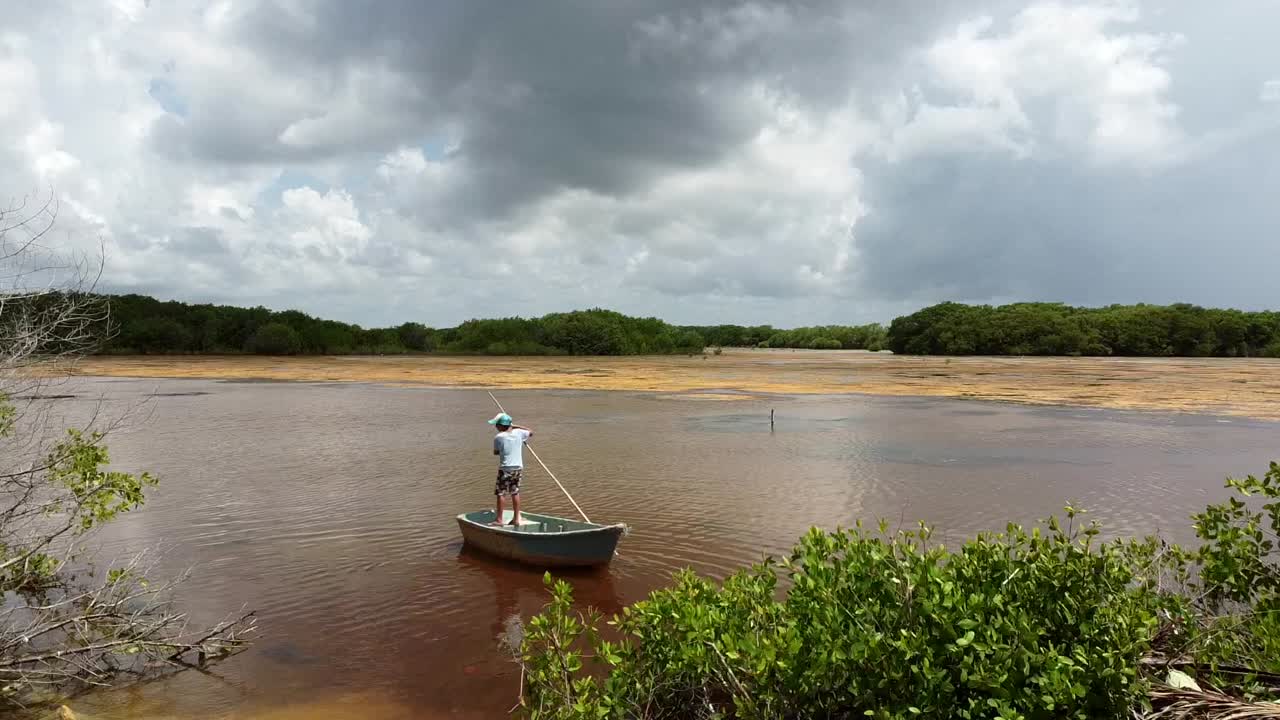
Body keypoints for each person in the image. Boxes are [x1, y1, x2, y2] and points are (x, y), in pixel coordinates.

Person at [488, 412, 532, 526]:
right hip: (518, 468)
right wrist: (515, 426)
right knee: (515, 492)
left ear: (502, 426)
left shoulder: (498, 437)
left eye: (497, 425)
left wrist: (512, 426)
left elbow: (496, 452)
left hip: (505, 468)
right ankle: (517, 519)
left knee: (501, 493)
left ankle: (499, 520)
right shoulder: (519, 433)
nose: (496, 427)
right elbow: (530, 432)